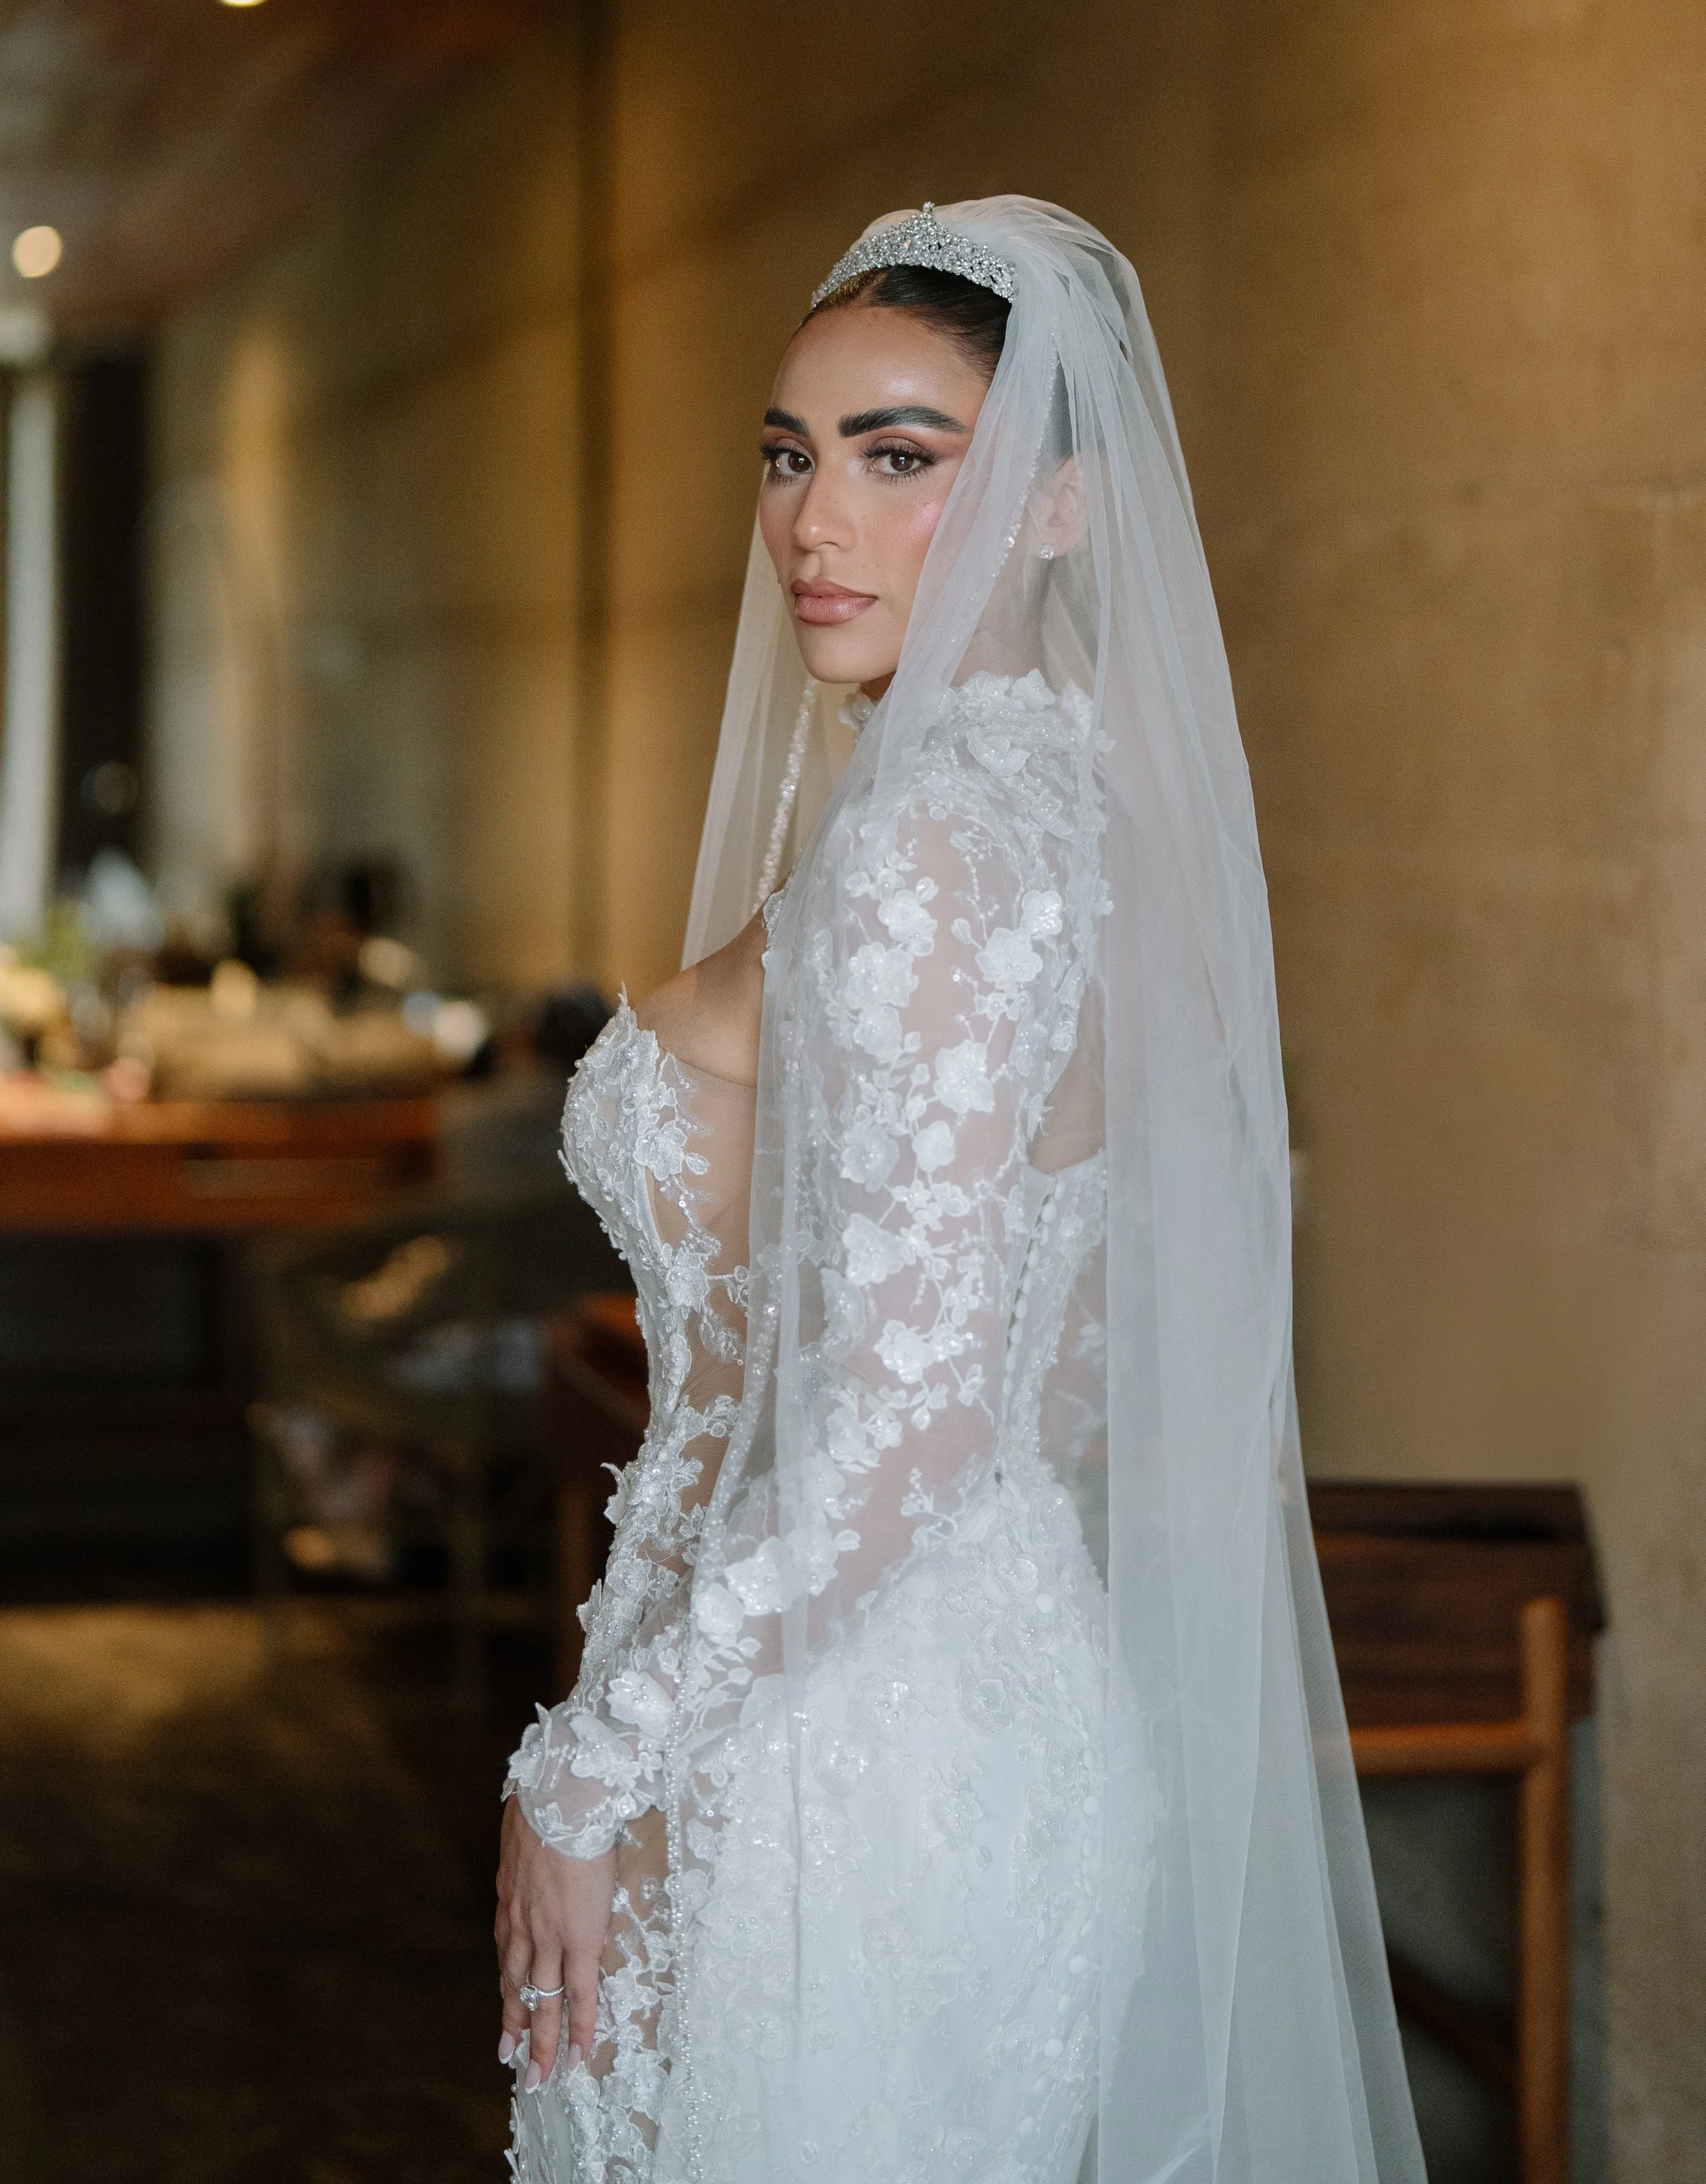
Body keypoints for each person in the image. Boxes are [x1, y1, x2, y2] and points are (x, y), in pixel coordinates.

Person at [495, 200, 1426, 2184]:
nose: (816, 520)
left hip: (837, 1758)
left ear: (1062, 505)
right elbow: (1051, 1366)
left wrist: (596, 1758)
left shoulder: (931, 847)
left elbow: (908, 1423)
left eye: (901, 457)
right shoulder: (1068, 807)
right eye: (788, 454)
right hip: (952, 1679)